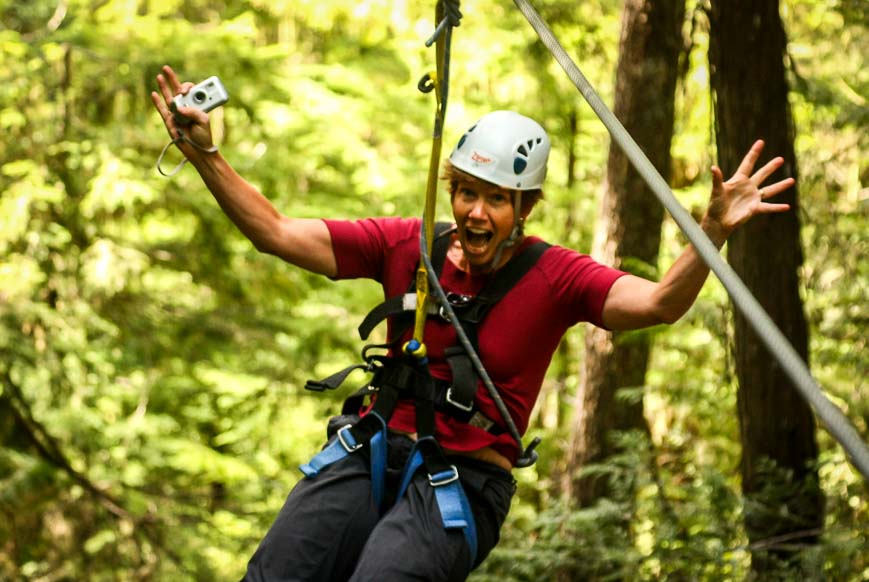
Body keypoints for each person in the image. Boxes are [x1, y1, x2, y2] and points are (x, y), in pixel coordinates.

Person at [151, 65, 794, 581]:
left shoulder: (556, 277)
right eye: (465, 192)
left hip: (464, 482)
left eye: (495, 200)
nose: (475, 213)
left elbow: (657, 303)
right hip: (371, 447)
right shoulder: (405, 245)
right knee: (277, 570)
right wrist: (203, 153)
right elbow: (276, 232)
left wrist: (711, 230)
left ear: (525, 207)